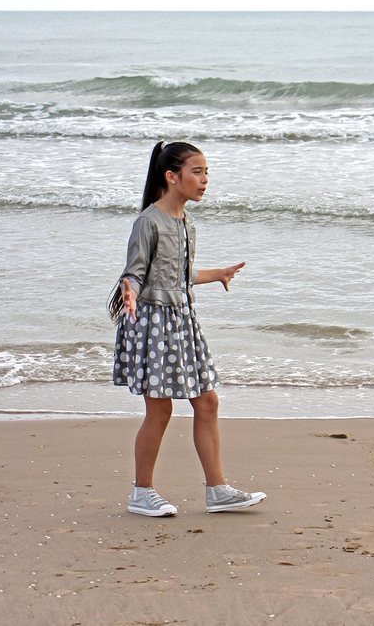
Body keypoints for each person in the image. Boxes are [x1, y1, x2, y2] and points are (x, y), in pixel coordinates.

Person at [108, 141, 266, 517]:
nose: (205, 180)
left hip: (182, 322)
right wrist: (128, 293)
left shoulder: (186, 222)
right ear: (171, 176)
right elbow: (135, 271)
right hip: (151, 323)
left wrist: (217, 275)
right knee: (159, 410)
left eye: (207, 172)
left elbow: (179, 273)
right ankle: (141, 492)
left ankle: (218, 490)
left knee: (207, 401)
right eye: (197, 172)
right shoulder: (148, 221)